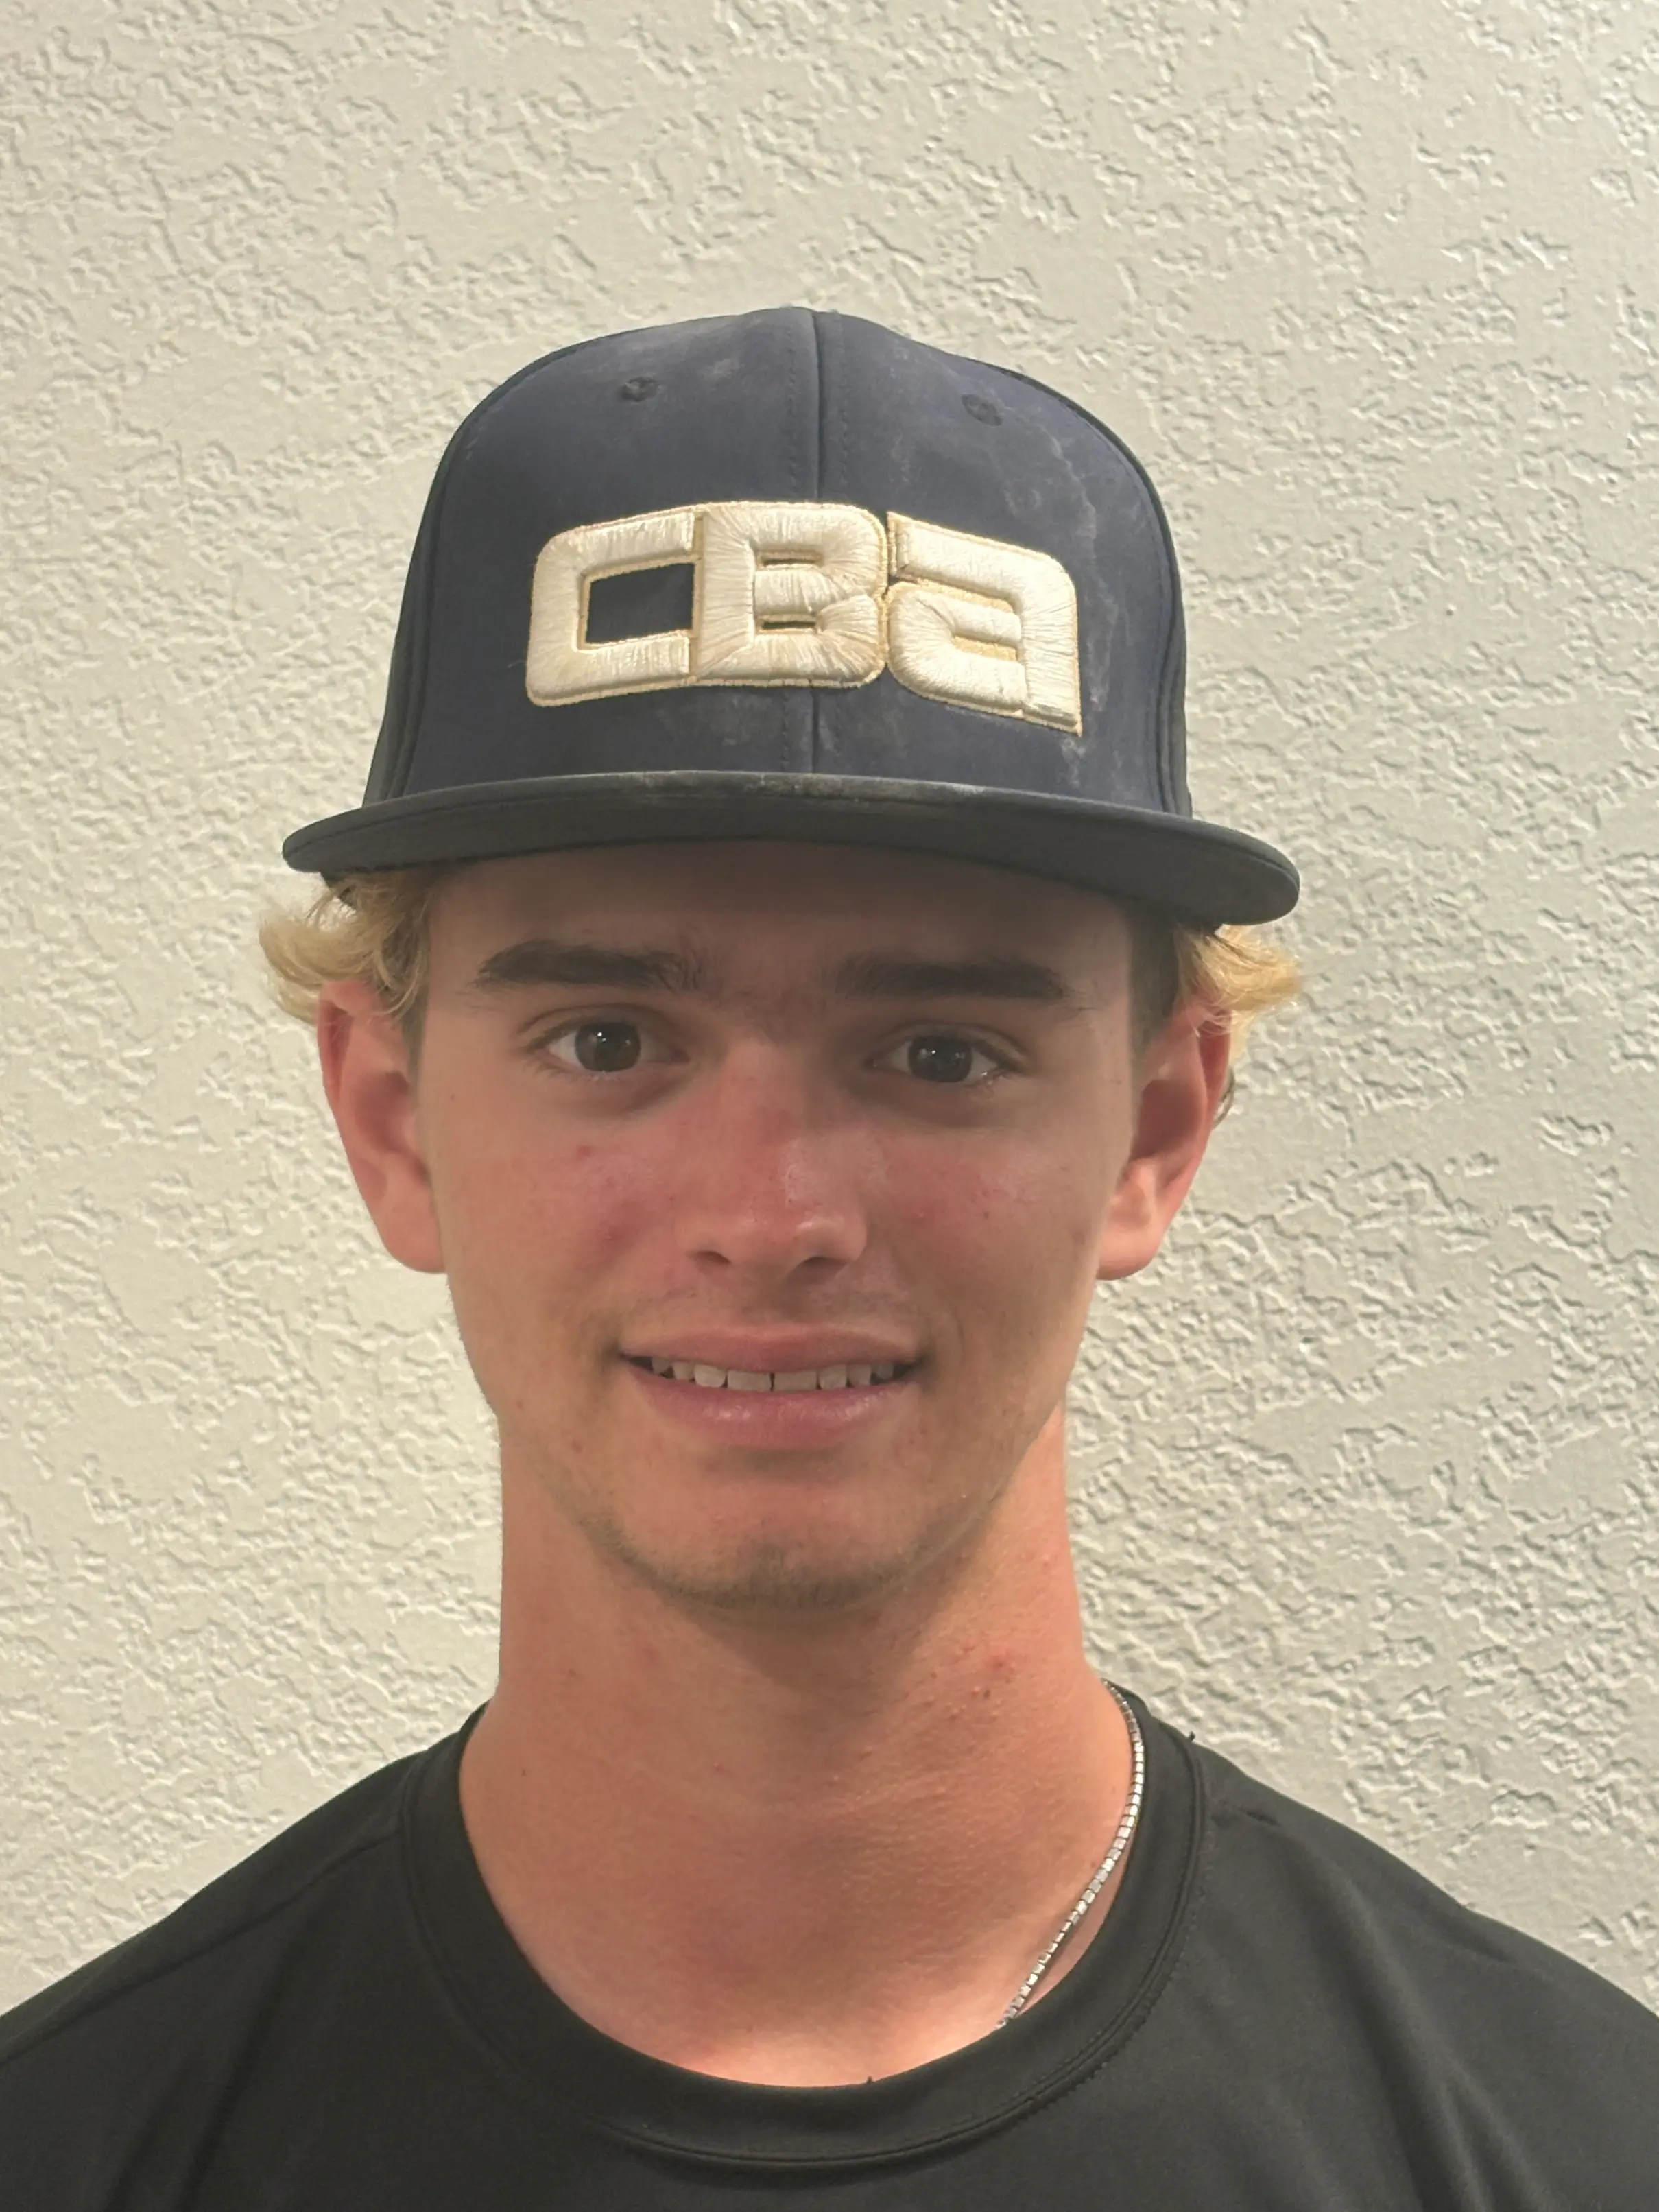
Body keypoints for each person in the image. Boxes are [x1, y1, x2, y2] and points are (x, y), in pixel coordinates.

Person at [2, 307, 1654, 2208]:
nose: (775, 1215)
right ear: (394, 1122)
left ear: (1155, 1129)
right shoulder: (78, 2146)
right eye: (608, 1039)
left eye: (941, 1052)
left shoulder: (1578, 2150)